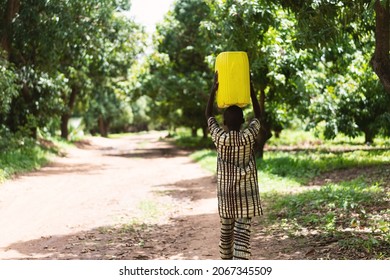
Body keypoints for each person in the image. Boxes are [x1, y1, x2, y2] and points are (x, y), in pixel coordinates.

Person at [205, 71, 262, 260]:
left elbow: (208, 114)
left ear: (224, 123)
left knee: (226, 231)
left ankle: (226, 263)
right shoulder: (248, 136)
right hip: (246, 195)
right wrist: (251, 89)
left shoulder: (220, 138)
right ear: (244, 121)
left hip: (226, 195)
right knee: (242, 233)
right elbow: (259, 115)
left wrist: (214, 90)